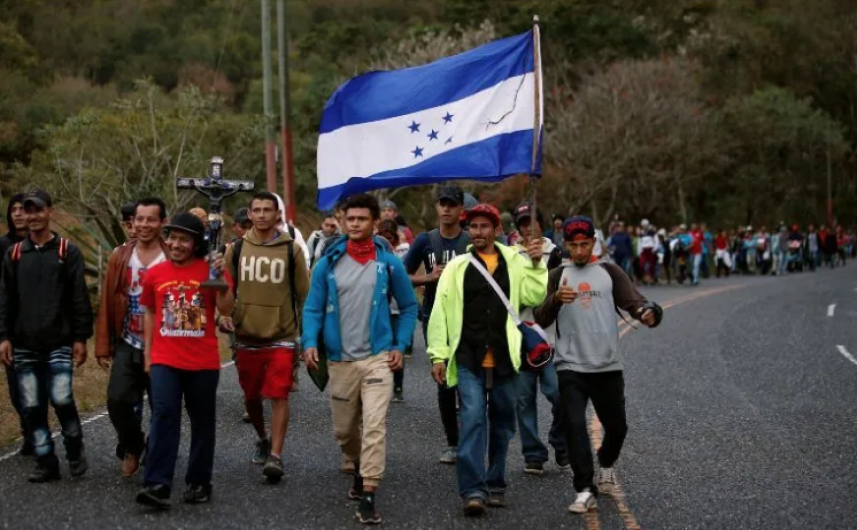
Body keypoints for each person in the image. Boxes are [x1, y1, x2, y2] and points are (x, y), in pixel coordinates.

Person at [533, 215, 662, 515]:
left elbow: (637, 303)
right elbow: (540, 318)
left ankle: (606, 463)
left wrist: (648, 313)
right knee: (575, 427)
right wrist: (554, 300)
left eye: (585, 244)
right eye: (573, 245)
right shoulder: (557, 275)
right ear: (565, 244)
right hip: (570, 366)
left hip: (606, 365)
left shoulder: (609, 271)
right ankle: (584, 489)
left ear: (594, 242)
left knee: (617, 428)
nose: (579, 251)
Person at [302, 194, 418, 525]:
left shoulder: (389, 262)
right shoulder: (327, 263)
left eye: (361, 219)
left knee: (375, 424)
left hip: (378, 358)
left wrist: (399, 344)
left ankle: (369, 493)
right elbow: (311, 308)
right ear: (341, 220)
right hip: (340, 360)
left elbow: (409, 307)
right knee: (344, 431)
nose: (355, 224)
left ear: (374, 222)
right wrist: (310, 340)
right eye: (350, 219)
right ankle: (355, 464)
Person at [427, 203, 547, 516]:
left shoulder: (515, 261)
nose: (478, 233)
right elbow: (439, 312)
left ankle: (496, 482)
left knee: (503, 424)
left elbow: (534, 297)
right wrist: (438, 355)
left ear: (496, 229)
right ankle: (473, 489)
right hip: (469, 356)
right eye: (474, 227)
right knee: (473, 419)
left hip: (506, 357)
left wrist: (536, 264)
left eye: (484, 227)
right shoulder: (457, 267)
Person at [135, 213, 233, 508]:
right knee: (164, 414)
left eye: (184, 239)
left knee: (202, 421)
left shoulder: (211, 269)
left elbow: (228, 308)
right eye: (172, 238)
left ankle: (199, 481)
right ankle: (157, 483)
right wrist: (148, 354)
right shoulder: (156, 274)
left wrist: (222, 278)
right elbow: (150, 313)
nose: (176, 244)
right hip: (165, 358)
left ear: (196, 243)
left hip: (202, 361)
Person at [0, 189, 93, 483]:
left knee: (62, 398)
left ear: (50, 212)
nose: (33, 216)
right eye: (28, 211)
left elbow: (79, 297)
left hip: (59, 342)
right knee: (31, 406)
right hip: (24, 344)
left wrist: (80, 337)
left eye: (38, 210)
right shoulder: (14, 254)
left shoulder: (68, 251)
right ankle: (46, 461)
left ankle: (74, 449)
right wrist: (3, 337)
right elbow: (5, 299)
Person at [220, 191, 309, 482]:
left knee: (279, 393)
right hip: (246, 335)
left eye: (266, 210)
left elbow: (303, 295)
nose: (260, 215)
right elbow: (226, 292)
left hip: (282, 336)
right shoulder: (236, 249)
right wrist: (224, 315)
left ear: (276, 215)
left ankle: (276, 456)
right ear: (250, 213)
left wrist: (306, 337)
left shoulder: (290, 250)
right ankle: (262, 437)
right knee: (250, 396)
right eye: (256, 210)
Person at [95, 198, 168, 477]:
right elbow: (107, 301)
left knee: (162, 406)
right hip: (129, 340)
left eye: (151, 219)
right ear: (132, 222)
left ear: (162, 222)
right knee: (117, 399)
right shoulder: (120, 256)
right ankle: (132, 445)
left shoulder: (170, 255)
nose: (144, 225)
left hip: (163, 345)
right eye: (140, 219)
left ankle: (158, 453)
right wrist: (103, 345)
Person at [403, 185, 471, 464]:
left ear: (460, 210)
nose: (446, 209)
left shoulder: (471, 240)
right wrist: (427, 278)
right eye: (442, 204)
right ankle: (453, 443)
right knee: (444, 381)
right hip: (434, 317)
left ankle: (472, 437)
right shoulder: (425, 240)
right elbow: (403, 275)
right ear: (436, 208)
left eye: (451, 204)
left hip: (468, 318)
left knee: (469, 380)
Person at [510, 202, 568, 475]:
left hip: (550, 337)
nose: (526, 228)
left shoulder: (555, 253)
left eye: (530, 222)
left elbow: (559, 291)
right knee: (523, 399)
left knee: (558, 393)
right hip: (520, 335)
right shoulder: (509, 255)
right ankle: (533, 454)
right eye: (521, 223)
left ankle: (560, 439)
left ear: (540, 224)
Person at [0, 193, 30, 455]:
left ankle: (37, 430)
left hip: (41, 328)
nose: (18, 214)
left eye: (23, 209)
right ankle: (28, 430)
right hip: (10, 328)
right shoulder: (3, 246)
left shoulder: (47, 243)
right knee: (16, 385)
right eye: (14, 209)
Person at [377, 219, 410, 403]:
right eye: (382, 236)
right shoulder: (372, 252)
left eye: (389, 237)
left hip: (397, 307)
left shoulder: (402, 252)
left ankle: (397, 385)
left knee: (397, 347)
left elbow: (406, 275)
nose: (385, 240)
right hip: (380, 308)